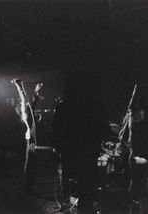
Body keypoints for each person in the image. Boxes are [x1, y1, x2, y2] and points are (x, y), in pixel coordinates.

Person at [52, 73, 111, 213]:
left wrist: (58, 149)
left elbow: (55, 132)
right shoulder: (95, 106)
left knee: (71, 186)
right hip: (88, 154)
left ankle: (71, 206)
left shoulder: (63, 107)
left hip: (69, 155)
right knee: (87, 188)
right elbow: (105, 130)